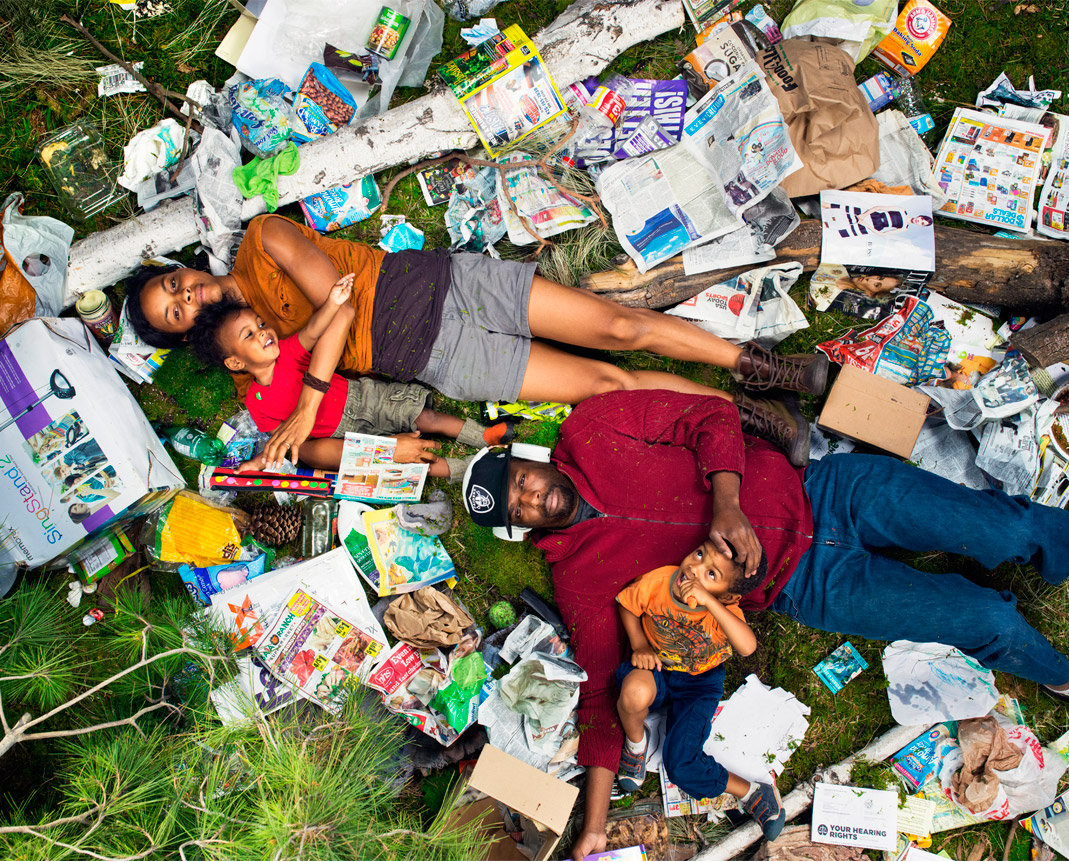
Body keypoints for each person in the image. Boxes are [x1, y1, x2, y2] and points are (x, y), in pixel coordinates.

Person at [459, 389, 1069, 859]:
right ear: (521, 528)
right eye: (519, 509)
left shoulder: (591, 429)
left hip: (823, 490)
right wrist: (593, 826)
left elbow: (712, 418)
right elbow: (598, 699)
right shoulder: (578, 577)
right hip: (803, 586)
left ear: (528, 461)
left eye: (522, 483)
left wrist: (726, 502)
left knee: (1009, 529)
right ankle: (1060, 674)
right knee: (983, 618)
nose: (533, 498)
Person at [124, 214, 828, 466]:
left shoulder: (262, 239)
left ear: (183, 267)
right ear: (188, 339)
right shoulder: (251, 356)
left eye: (174, 286)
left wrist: (308, 398)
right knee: (603, 385)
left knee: (617, 327)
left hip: (443, 285)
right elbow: (301, 421)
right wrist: (304, 408)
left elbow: (334, 308)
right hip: (435, 360)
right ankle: (743, 415)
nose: (186, 298)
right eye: (175, 314)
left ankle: (763, 367)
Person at [187, 272, 511, 475]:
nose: (262, 333)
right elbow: (281, 441)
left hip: (362, 397)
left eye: (259, 323)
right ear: (235, 363)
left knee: (425, 417)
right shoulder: (256, 403)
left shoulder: (286, 350)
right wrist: (257, 463)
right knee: (412, 457)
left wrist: (332, 302)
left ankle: (483, 436)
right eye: (249, 336)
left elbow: (313, 331)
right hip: (342, 436)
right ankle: (461, 469)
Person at [613, 539, 785, 840]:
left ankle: (751, 791)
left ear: (729, 595)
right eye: (700, 554)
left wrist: (710, 601)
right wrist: (639, 644)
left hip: (699, 684)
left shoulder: (723, 612)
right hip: (657, 669)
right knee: (632, 693)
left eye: (711, 575)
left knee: (680, 765)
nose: (694, 568)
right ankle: (636, 745)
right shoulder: (659, 582)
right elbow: (627, 605)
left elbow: (747, 646)